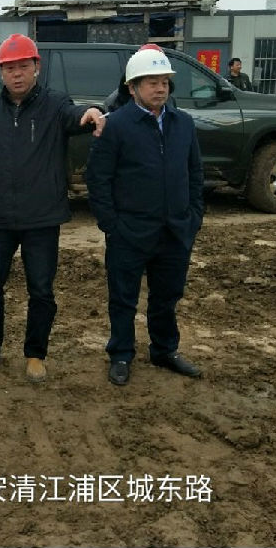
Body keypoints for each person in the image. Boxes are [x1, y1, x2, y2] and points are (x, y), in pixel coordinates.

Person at [0, 33, 105, 382]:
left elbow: (74, 115)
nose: (17, 74)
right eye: (9, 68)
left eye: (23, 66)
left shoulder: (55, 105)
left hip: (42, 217)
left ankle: (35, 354)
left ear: (36, 67)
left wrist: (90, 113)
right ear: (1, 72)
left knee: (41, 289)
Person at [85, 47, 204, 386]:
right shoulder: (116, 126)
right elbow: (98, 179)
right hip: (130, 232)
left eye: (164, 82)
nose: (160, 88)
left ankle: (164, 350)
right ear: (132, 87)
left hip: (174, 230)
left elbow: (195, 173)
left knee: (167, 296)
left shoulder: (183, 124)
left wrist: (193, 216)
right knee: (123, 298)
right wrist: (112, 225)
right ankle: (121, 354)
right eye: (152, 82)